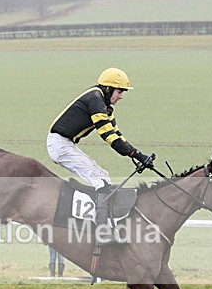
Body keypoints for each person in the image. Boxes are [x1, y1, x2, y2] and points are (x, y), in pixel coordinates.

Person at [47, 68, 155, 244]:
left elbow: (117, 133)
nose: (121, 96)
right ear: (108, 89)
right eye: (119, 91)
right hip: (59, 144)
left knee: (103, 176)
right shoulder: (95, 100)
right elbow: (109, 137)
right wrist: (135, 154)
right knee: (100, 179)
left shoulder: (103, 104)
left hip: (64, 143)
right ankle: (102, 231)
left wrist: (139, 155)